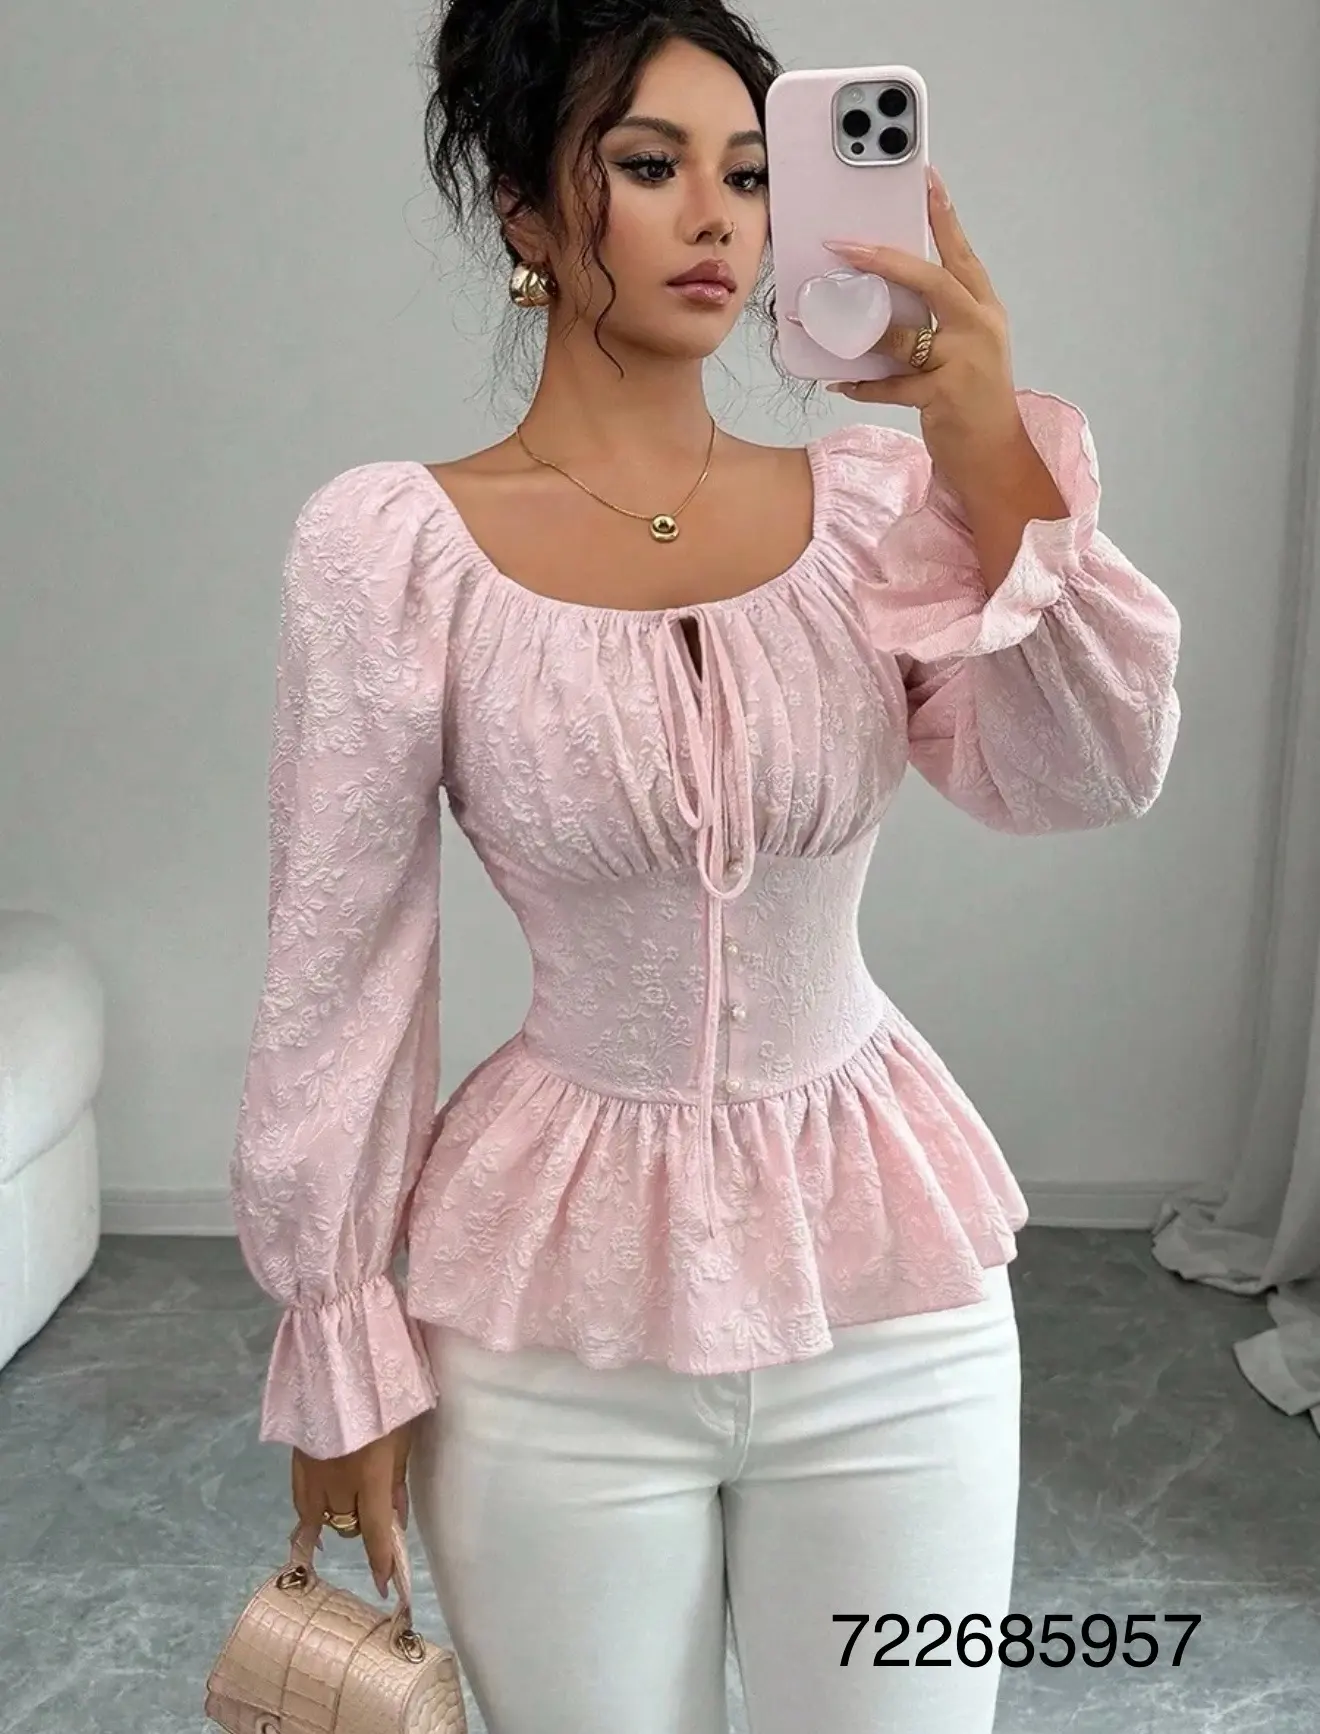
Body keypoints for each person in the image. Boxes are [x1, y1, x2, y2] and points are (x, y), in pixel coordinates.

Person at [229, 2, 1182, 1730]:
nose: (717, 218)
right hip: (549, 1316)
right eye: (650, 164)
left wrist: (982, 439)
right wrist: (339, 1349)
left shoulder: (880, 507)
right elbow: (338, 966)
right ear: (526, 210)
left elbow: (1093, 767)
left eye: (750, 174)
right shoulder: (392, 551)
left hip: (891, 1292)